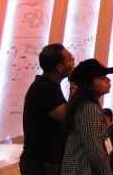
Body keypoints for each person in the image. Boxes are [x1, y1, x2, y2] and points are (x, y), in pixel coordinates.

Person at [20, 43, 75, 175]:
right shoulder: (44, 88)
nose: (73, 60)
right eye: (69, 58)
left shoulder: (50, 86)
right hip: (42, 164)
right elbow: (68, 118)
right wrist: (75, 83)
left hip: (45, 163)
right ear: (59, 67)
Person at [61, 59, 113, 175]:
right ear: (89, 84)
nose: (108, 80)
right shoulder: (89, 108)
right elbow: (95, 151)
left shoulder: (87, 105)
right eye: (101, 78)